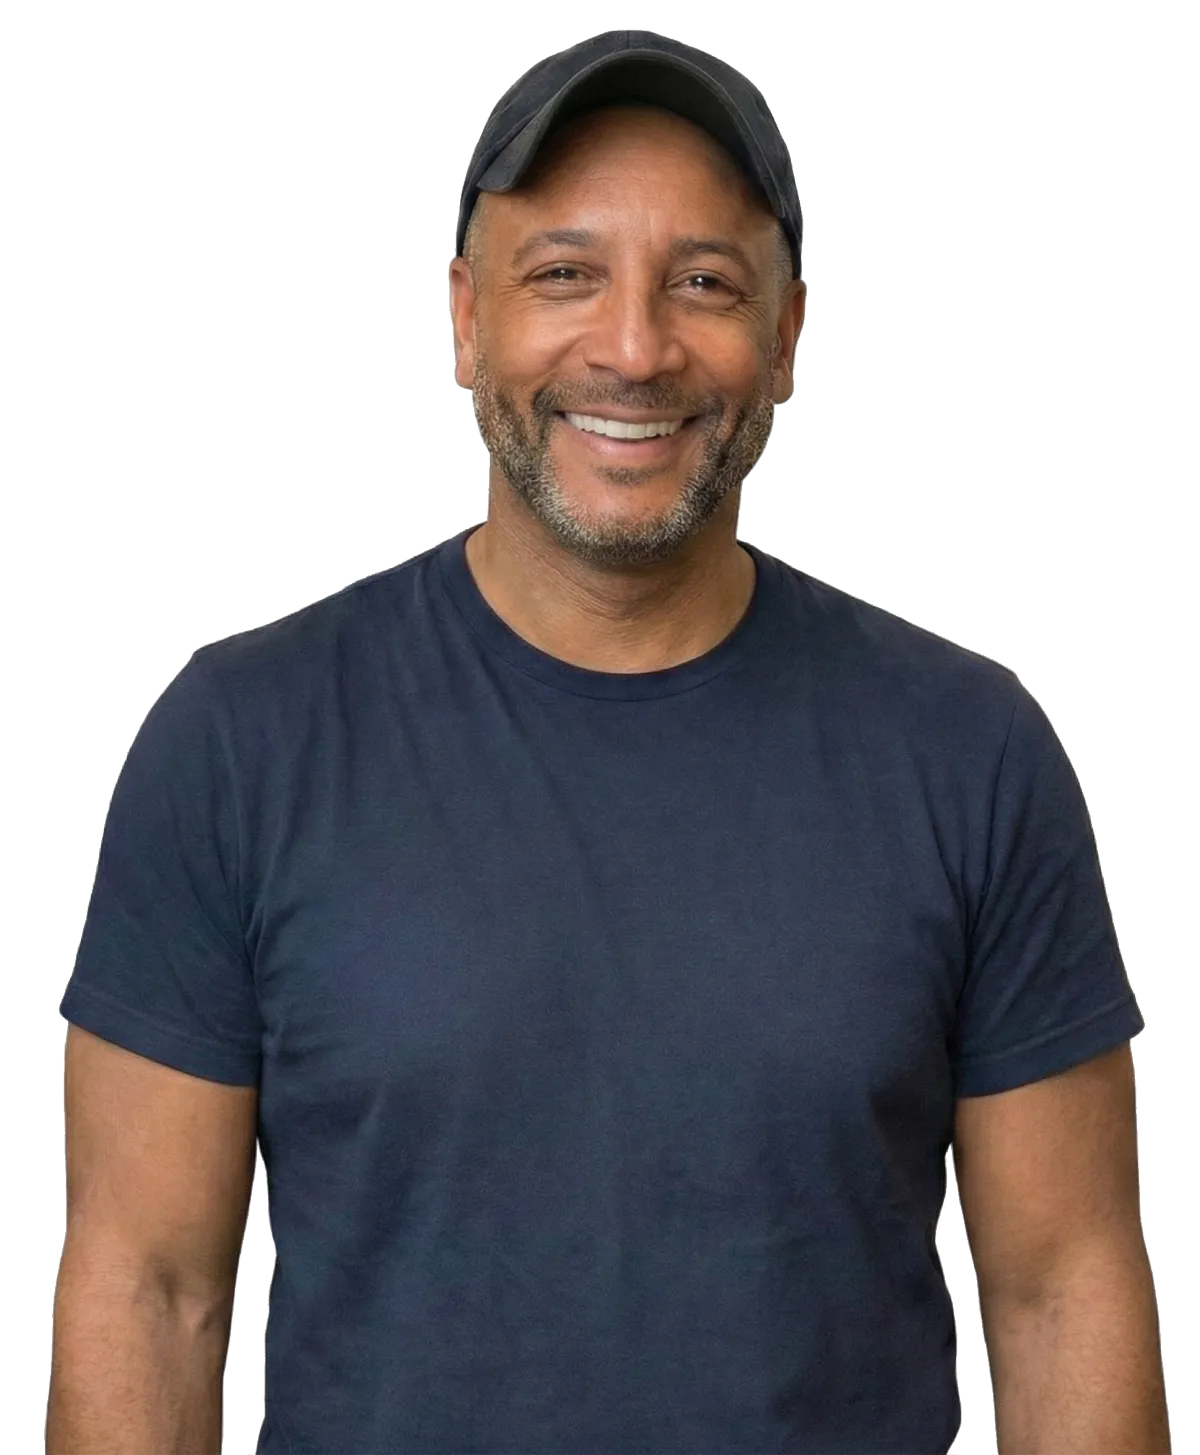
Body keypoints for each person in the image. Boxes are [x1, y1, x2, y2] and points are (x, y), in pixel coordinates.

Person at [48, 27, 1169, 1455]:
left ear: (787, 337)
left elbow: (1061, 1292)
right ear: (465, 320)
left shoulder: (971, 755)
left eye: (703, 283)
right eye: (564, 275)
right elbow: (149, 1291)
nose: (635, 349)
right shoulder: (239, 745)